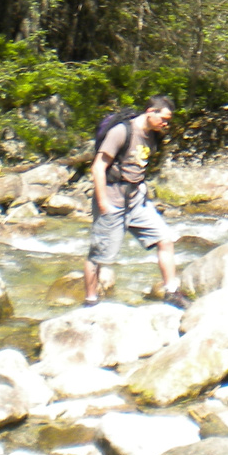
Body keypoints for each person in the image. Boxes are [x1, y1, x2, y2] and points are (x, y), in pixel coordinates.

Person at [85, 96, 187, 308]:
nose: (166, 124)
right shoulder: (122, 131)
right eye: (164, 118)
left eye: (168, 120)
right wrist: (103, 203)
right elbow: (98, 167)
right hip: (112, 198)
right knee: (99, 255)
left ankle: (171, 292)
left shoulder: (153, 135)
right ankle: (90, 300)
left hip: (137, 200)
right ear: (150, 111)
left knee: (165, 240)